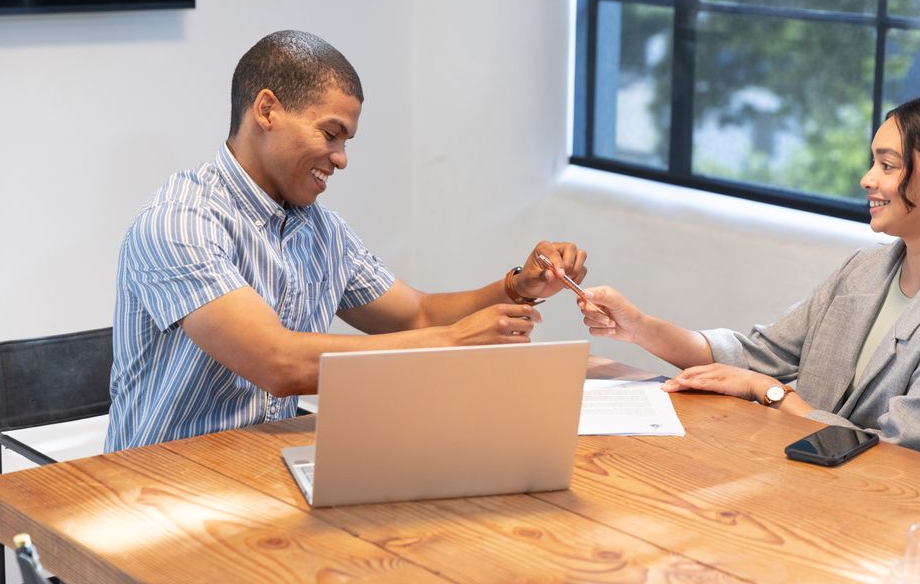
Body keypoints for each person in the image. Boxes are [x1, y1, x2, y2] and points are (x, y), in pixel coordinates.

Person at [106, 30, 588, 451]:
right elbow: (278, 362)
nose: (340, 159)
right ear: (267, 110)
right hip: (158, 486)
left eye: (346, 142)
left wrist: (516, 288)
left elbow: (416, 313)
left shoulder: (322, 230)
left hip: (261, 469)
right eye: (330, 134)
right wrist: (451, 342)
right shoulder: (179, 223)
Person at [578, 93, 920, 470]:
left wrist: (770, 393)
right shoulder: (866, 270)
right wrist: (636, 327)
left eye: (888, 166)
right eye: (873, 162)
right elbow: (759, 355)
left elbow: (892, 455)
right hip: (831, 493)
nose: (867, 179)